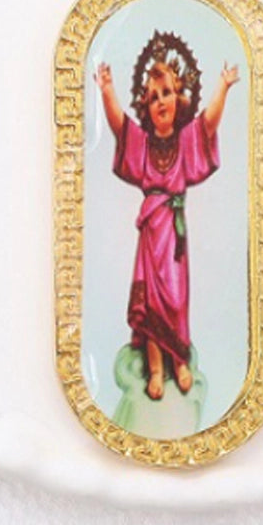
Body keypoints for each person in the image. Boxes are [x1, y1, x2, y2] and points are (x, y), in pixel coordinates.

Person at [95, 40, 239, 400]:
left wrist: (223, 87)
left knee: (175, 298)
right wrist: (107, 90)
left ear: (179, 98)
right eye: (154, 96)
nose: (161, 101)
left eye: (168, 93)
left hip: (173, 238)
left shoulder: (186, 140)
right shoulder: (142, 144)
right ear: (146, 104)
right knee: (151, 303)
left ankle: (180, 361)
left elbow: (208, 125)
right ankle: (157, 369)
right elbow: (119, 127)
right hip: (150, 235)